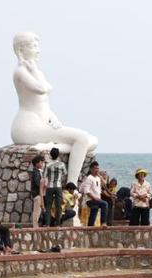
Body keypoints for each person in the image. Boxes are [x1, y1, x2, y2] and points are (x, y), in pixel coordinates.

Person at [9, 31, 98, 188]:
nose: (38, 50)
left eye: (38, 46)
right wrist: (34, 71)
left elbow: (44, 98)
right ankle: (71, 184)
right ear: (21, 50)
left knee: (92, 141)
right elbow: (42, 89)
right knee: (82, 138)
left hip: (44, 123)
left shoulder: (37, 72)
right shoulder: (20, 72)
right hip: (27, 127)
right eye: (33, 46)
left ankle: (50, 147)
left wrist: (52, 116)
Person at [43, 148, 67, 227]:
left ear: (50, 155)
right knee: (59, 205)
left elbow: (44, 175)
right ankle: (58, 224)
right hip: (58, 186)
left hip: (50, 186)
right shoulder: (62, 164)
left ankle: (47, 223)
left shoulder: (48, 164)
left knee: (48, 205)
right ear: (58, 155)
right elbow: (65, 173)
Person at [80, 162, 107, 227]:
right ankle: (103, 223)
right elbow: (86, 191)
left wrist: (100, 176)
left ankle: (90, 227)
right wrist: (95, 198)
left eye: (98, 168)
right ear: (91, 169)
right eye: (95, 168)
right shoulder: (89, 178)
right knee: (105, 204)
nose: (97, 170)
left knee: (93, 215)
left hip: (97, 199)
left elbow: (104, 183)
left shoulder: (97, 178)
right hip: (90, 200)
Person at [29, 155, 45, 228]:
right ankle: (35, 227)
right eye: (41, 162)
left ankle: (37, 226)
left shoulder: (37, 171)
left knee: (39, 211)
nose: (42, 164)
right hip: (37, 195)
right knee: (37, 212)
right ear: (36, 164)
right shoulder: (36, 172)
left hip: (38, 194)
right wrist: (44, 184)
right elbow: (37, 183)